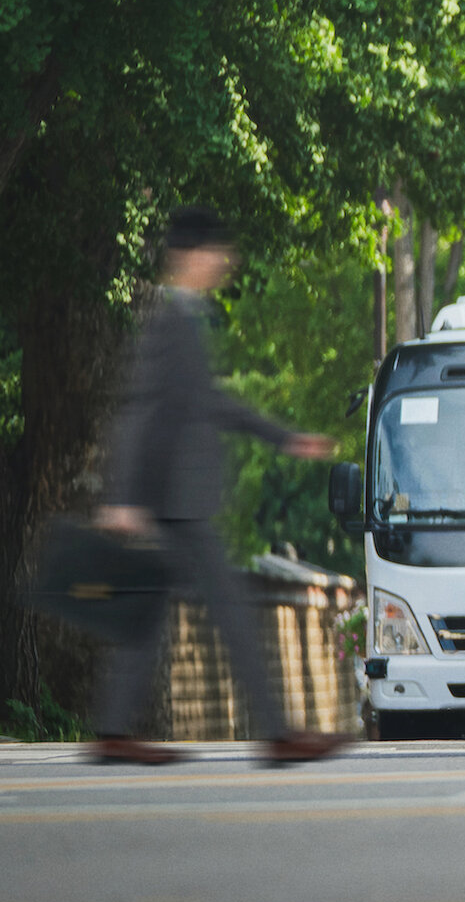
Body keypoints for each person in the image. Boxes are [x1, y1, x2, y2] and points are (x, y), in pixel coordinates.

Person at [94, 205, 347, 766]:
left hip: (174, 497)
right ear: (189, 256)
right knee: (231, 610)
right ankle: (278, 734)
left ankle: (112, 730)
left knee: (151, 611)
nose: (224, 263)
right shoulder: (169, 321)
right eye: (216, 253)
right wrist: (122, 497)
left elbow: (205, 402)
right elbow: (140, 411)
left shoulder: (185, 318)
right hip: (174, 499)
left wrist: (281, 436)